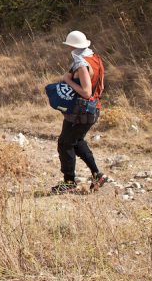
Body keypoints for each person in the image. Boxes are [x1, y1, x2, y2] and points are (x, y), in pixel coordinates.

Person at [51, 31, 108, 195]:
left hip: (80, 111)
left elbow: (86, 92)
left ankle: (68, 182)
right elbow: (100, 87)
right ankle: (98, 175)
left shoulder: (81, 64)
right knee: (76, 141)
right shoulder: (95, 59)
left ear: (73, 46)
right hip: (93, 108)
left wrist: (68, 80)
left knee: (64, 143)